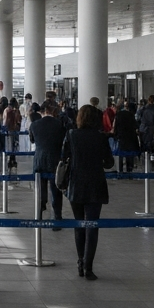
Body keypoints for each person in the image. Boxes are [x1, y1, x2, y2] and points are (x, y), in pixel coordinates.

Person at [62, 104, 115, 279]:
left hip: (75, 184)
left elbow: (63, 158)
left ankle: (79, 261)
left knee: (79, 225)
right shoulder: (101, 138)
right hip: (95, 185)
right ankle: (88, 267)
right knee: (92, 225)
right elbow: (109, 163)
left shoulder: (71, 135)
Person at [30, 100, 67, 226]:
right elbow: (63, 140)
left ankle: (39, 214)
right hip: (55, 159)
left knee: (40, 190)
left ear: (43, 111)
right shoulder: (59, 124)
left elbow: (32, 140)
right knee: (56, 190)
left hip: (39, 159)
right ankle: (57, 217)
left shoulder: (34, 124)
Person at [113, 101, 140, 173]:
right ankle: (129, 170)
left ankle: (120, 171)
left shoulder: (118, 115)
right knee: (130, 154)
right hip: (130, 136)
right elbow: (136, 126)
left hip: (121, 136)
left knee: (120, 155)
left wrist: (115, 135)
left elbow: (115, 126)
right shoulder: (131, 115)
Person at [3, 98, 21, 170]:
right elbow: (19, 120)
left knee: (11, 144)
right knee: (14, 144)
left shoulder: (8, 111)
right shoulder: (15, 111)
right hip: (15, 130)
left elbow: (6, 121)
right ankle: (12, 158)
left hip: (10, 130)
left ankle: (11, 158)